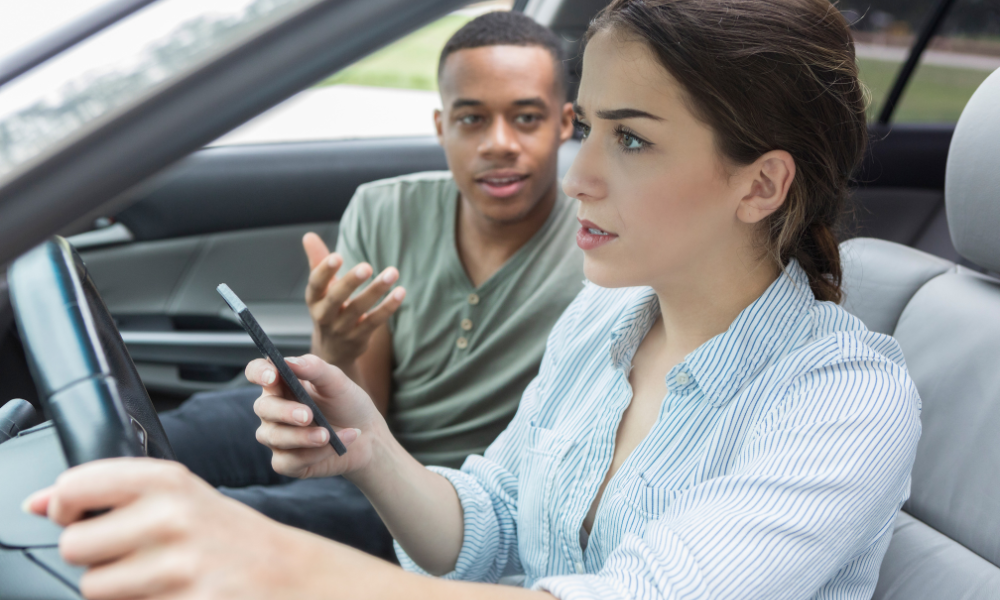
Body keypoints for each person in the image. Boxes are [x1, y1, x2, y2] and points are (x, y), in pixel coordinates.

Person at [25, 0, 923, 598]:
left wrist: (277, 561)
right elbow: (492, 522)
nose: (581, 177)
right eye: (588, 128)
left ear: (760, 185)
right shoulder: (605, 319)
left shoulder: (844, 401)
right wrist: (370, 450)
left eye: (633, 141)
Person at [156, 10, 580, 557]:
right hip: (355, 430)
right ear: (440, 125)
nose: (499, 143)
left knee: (210, 526)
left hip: (440, 495)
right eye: (472, 119)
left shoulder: (599, 242)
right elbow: (359, 414)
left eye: (526, 118)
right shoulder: (384, 208)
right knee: (157, 437)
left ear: (565, 123)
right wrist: (336, 344)